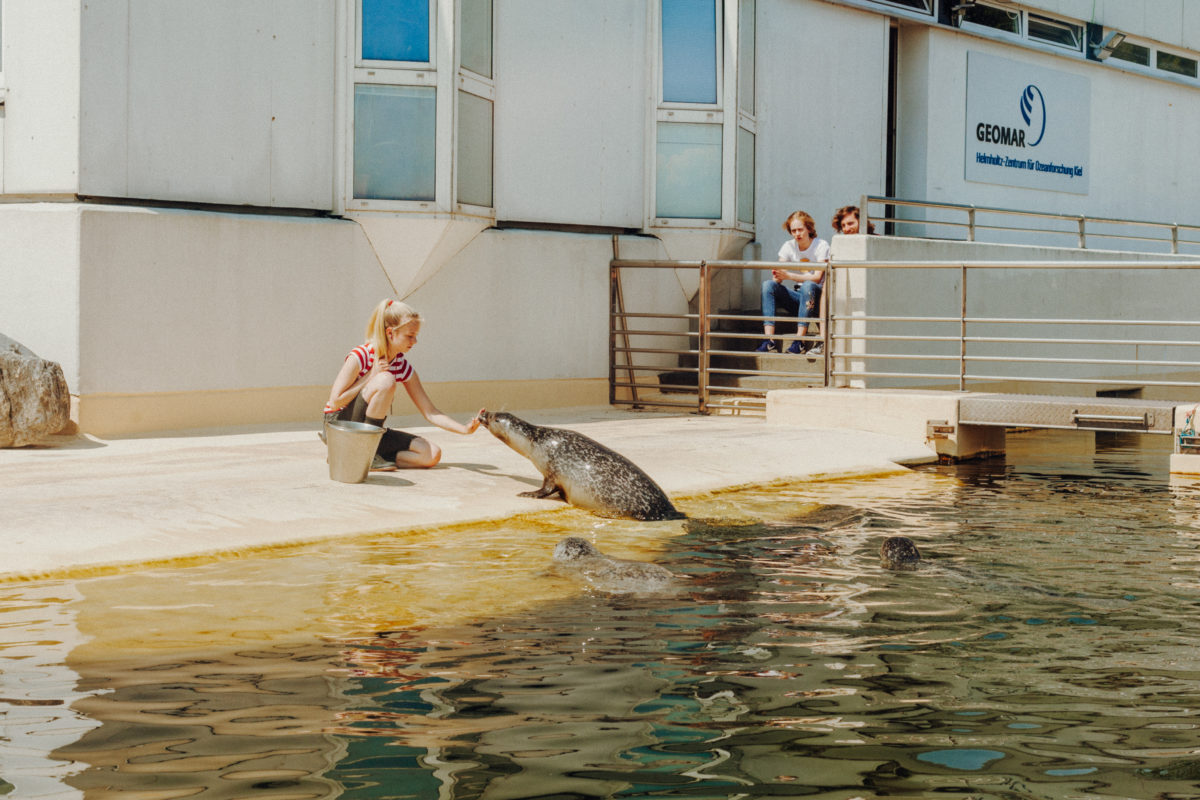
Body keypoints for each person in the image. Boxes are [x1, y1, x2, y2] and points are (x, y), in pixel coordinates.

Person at [323, 299, 482, 470]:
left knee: (431, 454)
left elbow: (430, 412)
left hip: (369, 430)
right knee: (386, 380)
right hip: (339, 428)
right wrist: (370, 376)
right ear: (390, 333)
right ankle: (361, 453)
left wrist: (464, 429)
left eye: (416, 336)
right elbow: (335, 402)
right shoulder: (361, 356)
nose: (414, 341)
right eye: (410, 336)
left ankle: (358, 456)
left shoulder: (401, 365)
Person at [756, 210, 830, 354]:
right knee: (768, 285)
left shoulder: (821, 245)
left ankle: (799, 341)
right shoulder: (788, 246)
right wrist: (778, 275)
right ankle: (769, 340)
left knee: (808, 285)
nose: (797, 234)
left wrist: (789, 275)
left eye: (800, 229)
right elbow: (778, 274)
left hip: (816, 300)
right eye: (793, 230)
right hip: (798, 299)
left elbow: (817, 277)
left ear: (809, 228)